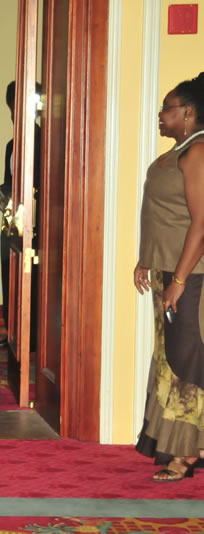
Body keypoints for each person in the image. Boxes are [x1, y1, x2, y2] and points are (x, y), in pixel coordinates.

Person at [134, 72, 204, 482]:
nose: (161, 114)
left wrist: (178, 279)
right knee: (170, 360)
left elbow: (201, 223)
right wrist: (146, 260)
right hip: (168, 271)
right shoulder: (179, 151)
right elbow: (161, 215)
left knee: (185, 360)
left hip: (191, 275)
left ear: (188, 112)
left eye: (167, 107)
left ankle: (187, 454)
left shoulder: (197, 153)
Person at [0, 80, 41, 347]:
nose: (16, 110)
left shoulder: (45, 139)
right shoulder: (12, 144)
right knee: (8, 274)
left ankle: (33, 336)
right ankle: (13, 331)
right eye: (13, 104)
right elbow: (10, 181)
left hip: (36, 223)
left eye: (22, 103)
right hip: (12, 222)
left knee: (32, 280)